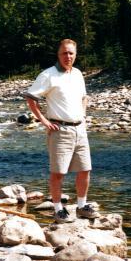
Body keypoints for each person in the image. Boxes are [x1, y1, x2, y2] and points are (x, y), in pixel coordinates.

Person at [24, 38, 99, 223]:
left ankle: (82, 206)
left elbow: (84, 97)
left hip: (79, 129)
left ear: (76, 54)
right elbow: (30, 98)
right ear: (58, 55)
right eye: (64, 53)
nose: (68, 56)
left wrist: (83, 116)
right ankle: (58, 209)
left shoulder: (78, 74)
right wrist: (43, 120)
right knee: (58, 173)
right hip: (60, 130)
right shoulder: (48, 75)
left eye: (71, 53)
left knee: (85, 169)